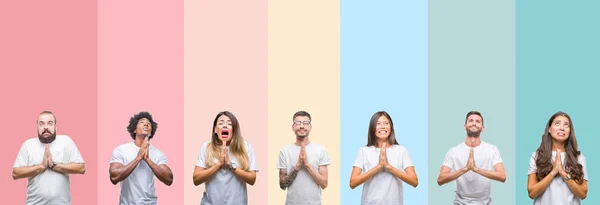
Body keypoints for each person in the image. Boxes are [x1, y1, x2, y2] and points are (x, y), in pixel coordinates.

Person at [12, 111, 86, 205]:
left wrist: (53, 165)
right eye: (41, 124)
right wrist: (41, 167)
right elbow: (15, 173)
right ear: (37, 127)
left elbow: (81, 168)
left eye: (50, 123)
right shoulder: (28, 145)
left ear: (55, 126)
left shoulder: (66, 141)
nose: (45, 127)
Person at [437, 111, 506, 204]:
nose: (474, 123)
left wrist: (476, 169)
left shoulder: (492, 149)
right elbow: (440, 179)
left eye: (478, 121)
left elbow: (502, 176)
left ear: (483, 128)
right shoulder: (453, 151)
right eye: (471, 120)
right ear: (465, 126)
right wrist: (465, 169)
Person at [349, 111, 418, 205]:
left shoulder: (401, 150)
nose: (383, 126)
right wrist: (378, 167)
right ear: (372, 128)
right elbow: (353, 183)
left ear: (391, 127)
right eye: (378, 124)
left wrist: (389, 167)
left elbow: (414, 181)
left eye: (386, 123)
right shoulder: (364, 151)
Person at [193, 111, 258, 205]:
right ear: (215, 129)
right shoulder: (206, 147)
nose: (225, 126)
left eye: (229, 124)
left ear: (234, 130)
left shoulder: (245, 147)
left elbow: (252, 179)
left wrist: (230, 164)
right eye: (221, 123)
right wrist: (219, 164)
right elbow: (196, 179)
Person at [109, 111, 173, 205]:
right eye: (142, 122)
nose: (146, 124)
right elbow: (114, 177)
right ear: (135, 130)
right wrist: (138, 158)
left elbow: (169, 179)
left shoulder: (158, 154)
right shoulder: (121, 150)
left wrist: (148, 160)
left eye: (149, 123)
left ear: (151, 131)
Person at [527, 111, 588, 204]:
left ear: (569, 132)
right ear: (549, 129)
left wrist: (563, 174)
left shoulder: (578, 157)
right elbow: (531, 193)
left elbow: (583, 194)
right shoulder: (537, 156)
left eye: (566, 125)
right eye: (557, 124)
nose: (562, 128)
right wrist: (553, 172)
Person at [278, 111, 331, 205]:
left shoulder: (320, 150)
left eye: (305, 123)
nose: (301, 126)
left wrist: (307, 165)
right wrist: (298, 165)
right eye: (298, 123)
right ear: (293, 127)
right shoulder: (285, 151)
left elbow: (324, 184)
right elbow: (282, 185)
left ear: (310, 127)